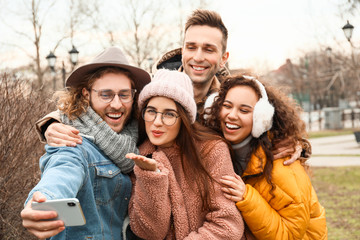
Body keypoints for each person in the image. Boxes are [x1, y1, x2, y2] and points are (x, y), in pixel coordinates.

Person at [37, 9, 304, 164]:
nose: (198, 56)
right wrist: (50, 124)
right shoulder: (153, 91)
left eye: (209, 49)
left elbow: (267, 127)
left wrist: (298, 145)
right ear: (183, 49)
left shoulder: (231, 100)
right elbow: (102, 110)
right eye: (192, 47)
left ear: (224, 58)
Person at [20, 47, 151, 239]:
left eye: (124, 94)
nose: (116, 104)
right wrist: (41, 202)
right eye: (105, 94)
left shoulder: (140, 134)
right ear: (86, 94)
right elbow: (63, 170)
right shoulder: (73, 140)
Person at [202, 75, 327, 239]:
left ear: (262, 119)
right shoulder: (220, 148)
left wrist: (247, 197)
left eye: (244, 110)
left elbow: (289, 235)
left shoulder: (283, 165)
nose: (232, 115)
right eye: (227, 106)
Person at [125, 69, 245, 239]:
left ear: (184, 118)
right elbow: (149, 232)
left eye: (169, 114)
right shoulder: (141, 156)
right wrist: (151, 177)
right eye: (151, 111)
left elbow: (227, 225)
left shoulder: (211, 150)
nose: (157, 122)